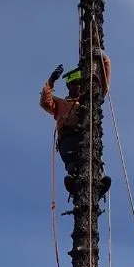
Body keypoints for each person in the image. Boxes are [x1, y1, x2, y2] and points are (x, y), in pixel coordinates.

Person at [40, 51, 112, 198]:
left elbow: (104, 83)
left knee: (91, 159)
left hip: (86, 136)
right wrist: (51, 81)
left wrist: (104, 59)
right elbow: (45, 102)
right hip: (68, 139)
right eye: (73, 84)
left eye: (79, 83)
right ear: (68, 86)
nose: (77, 86)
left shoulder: (90, 99)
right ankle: (74, 184)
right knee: (74, 162)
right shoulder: (61, 103)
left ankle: (97, 184)